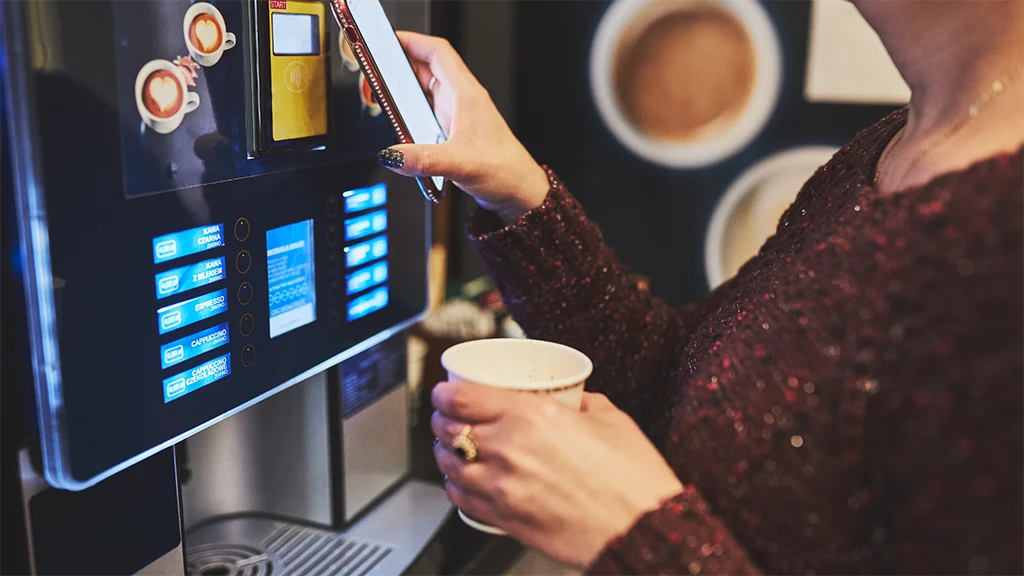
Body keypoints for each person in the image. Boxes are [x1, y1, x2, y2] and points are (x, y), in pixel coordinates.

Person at [378, 0, 1024, 573]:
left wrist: (638, 538)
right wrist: (517, 192)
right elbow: (681, 379)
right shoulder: (898, 141)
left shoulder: (1000, 224)